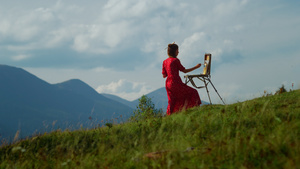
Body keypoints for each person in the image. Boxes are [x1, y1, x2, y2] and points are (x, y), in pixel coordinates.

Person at [162, 43, 201, 115]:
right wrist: (196, 67)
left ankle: (169, 115)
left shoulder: (165, 61)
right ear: (174, 51)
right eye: (177, 50)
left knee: (172, 100)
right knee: (193, 92)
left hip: (168, 84)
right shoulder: (175, 60)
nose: (178, 52)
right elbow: (184, 71)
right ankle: (194, 111)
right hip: (175, 82)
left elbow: (164, 75)